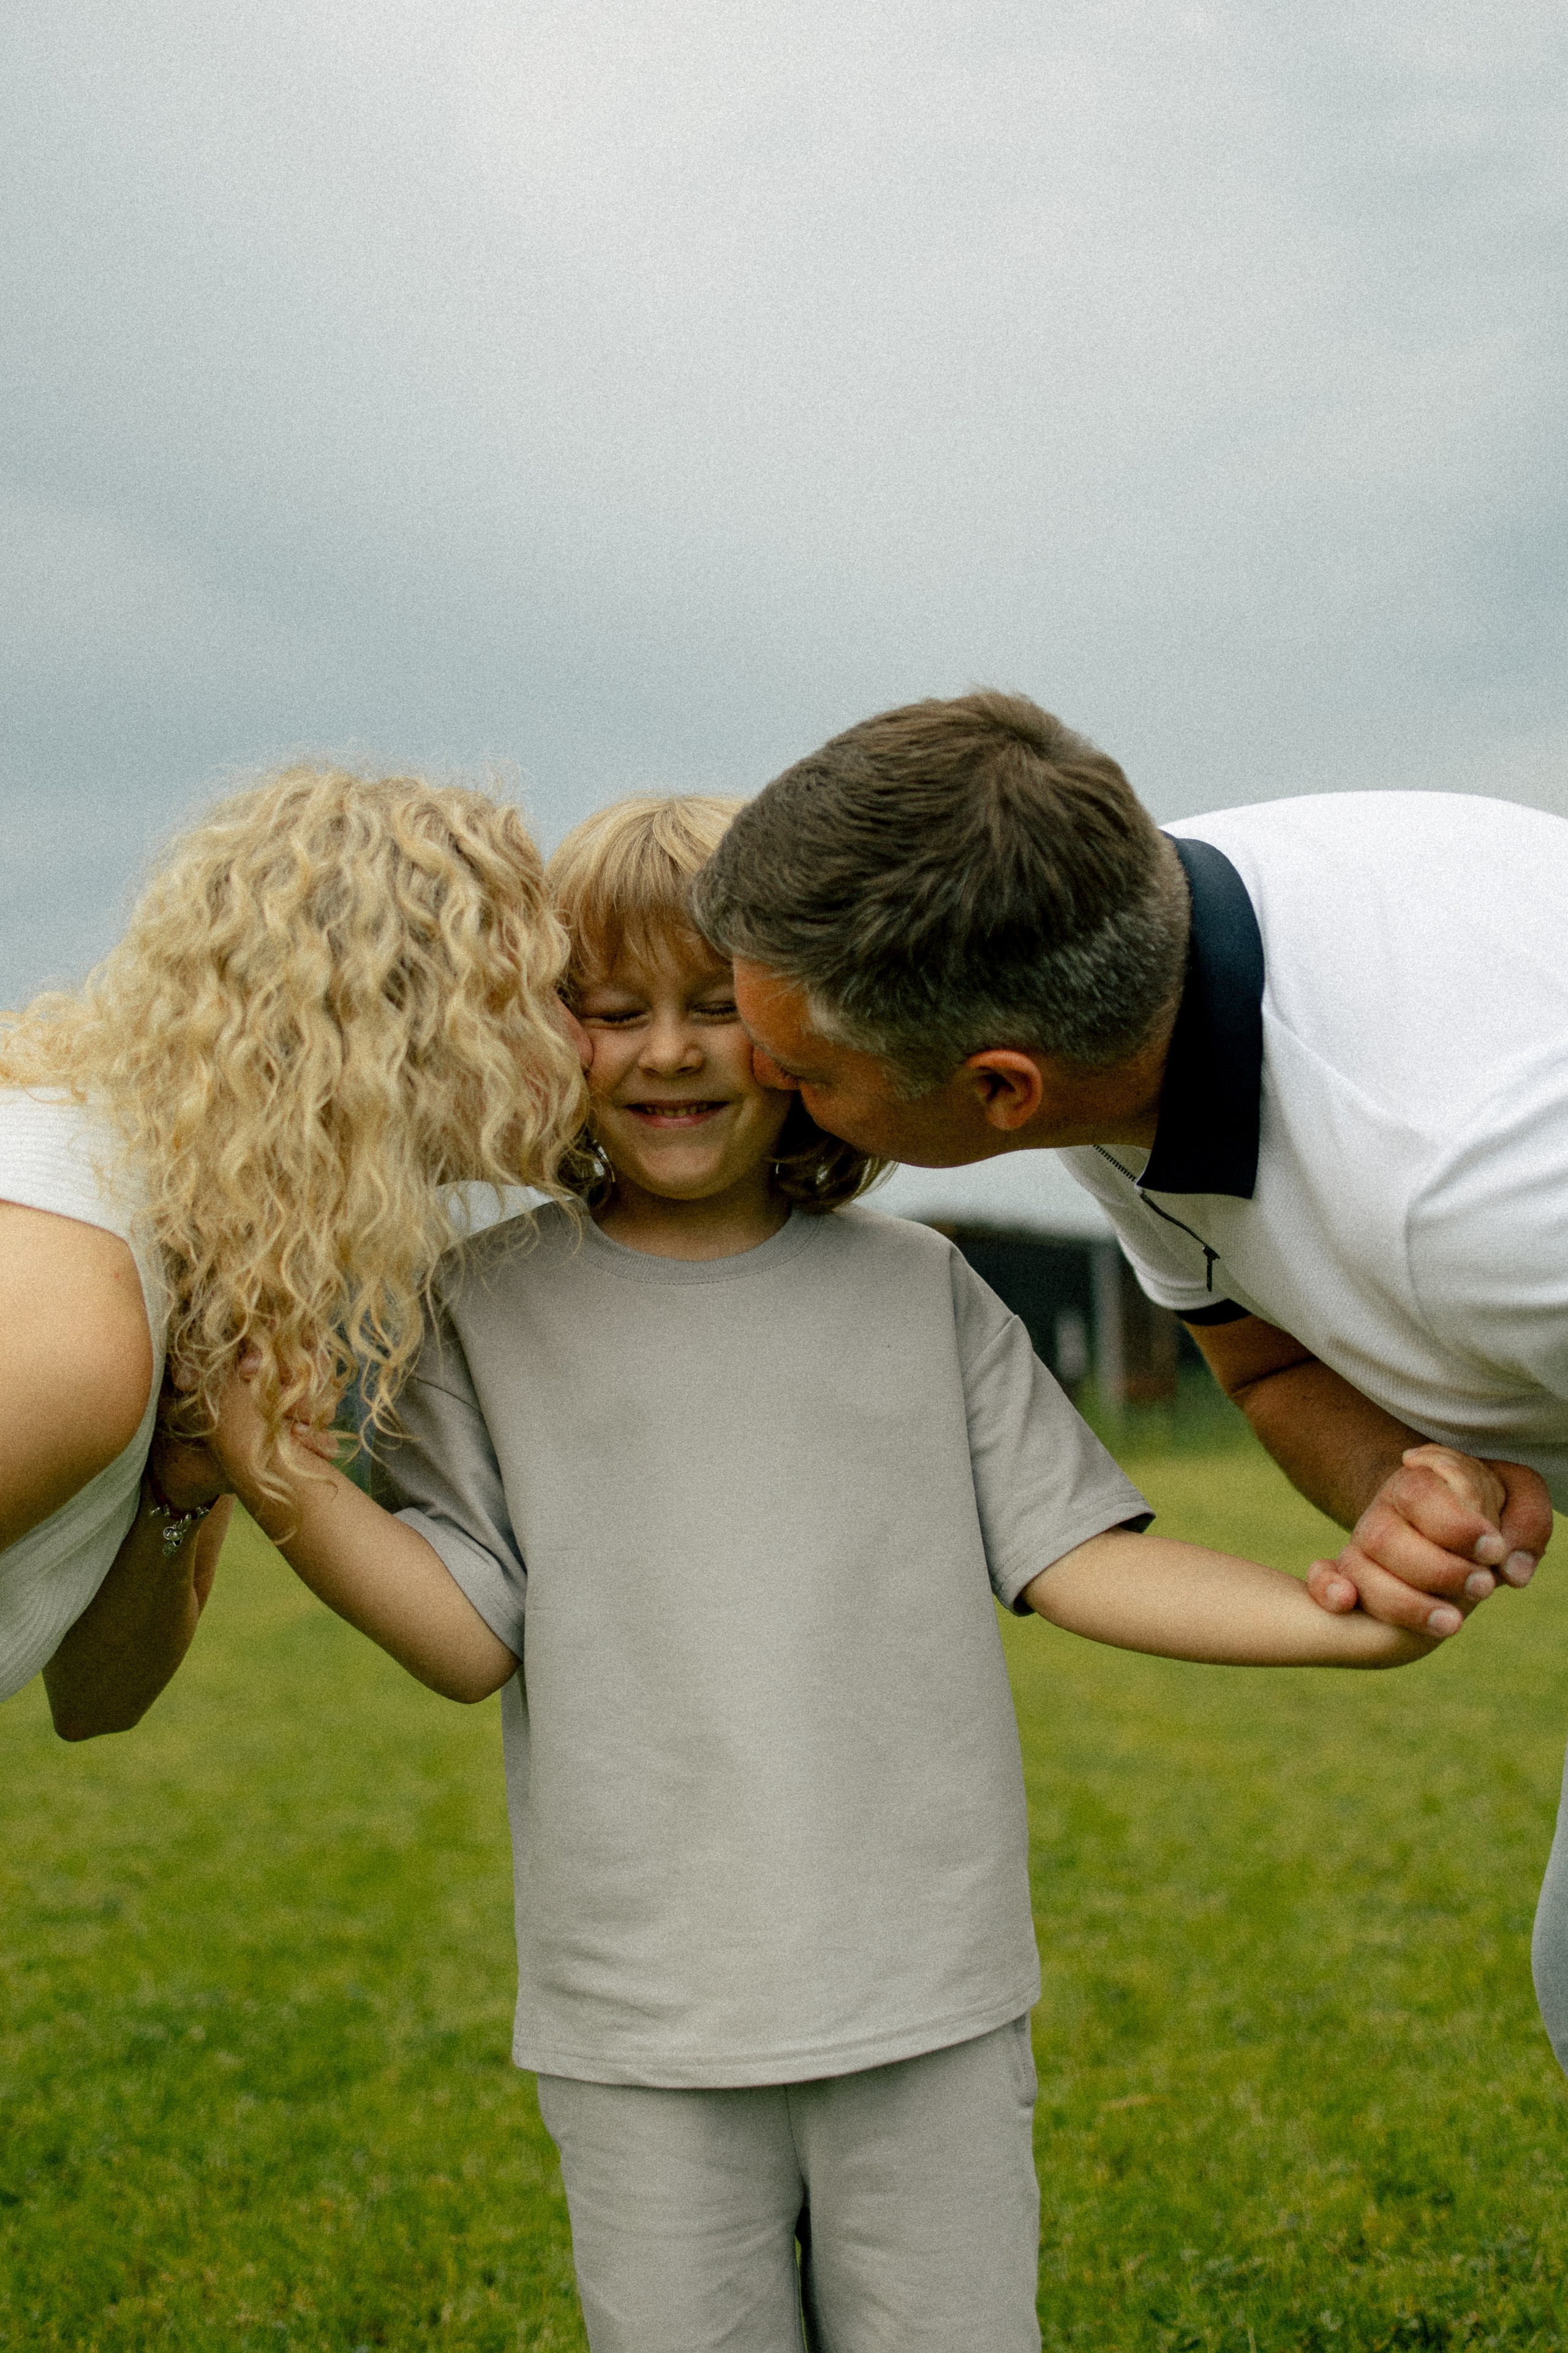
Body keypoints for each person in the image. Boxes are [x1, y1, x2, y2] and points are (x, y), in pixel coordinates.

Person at [195, 795, 1461, 2353]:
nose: (671, 1052)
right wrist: (276, 1465)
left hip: (925, 1996)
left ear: (805, 1031)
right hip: (641, 2023)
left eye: (719, 1007)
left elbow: (1075, 1560)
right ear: (540, 1040)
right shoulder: (479, 1308)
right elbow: (464, 1637)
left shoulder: (916, 1285)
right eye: (614, 1011)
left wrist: (1331, 1620)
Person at [690, 686, 1568, 2064]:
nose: (750, 1075)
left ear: (998, 1092)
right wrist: (1397, 1487)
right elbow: (1266, 1353)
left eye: (801, 1072)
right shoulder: (1112, 953)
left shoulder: (1479, 1185)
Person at [0, 764, 586, 1738]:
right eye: (547, 993)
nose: (586, 1038)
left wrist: (187, 1482)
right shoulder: (73, 1305)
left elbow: (99, 1701)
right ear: (396, 1027)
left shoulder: (222, 1250)